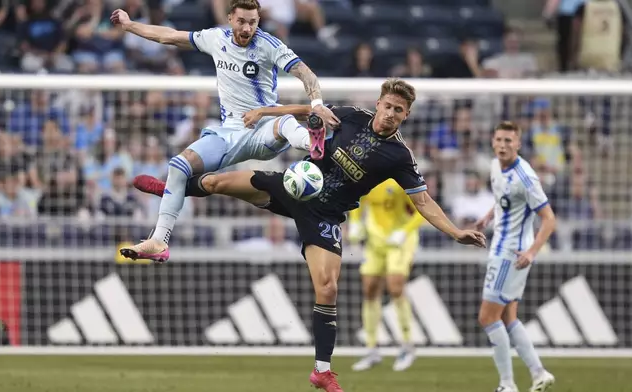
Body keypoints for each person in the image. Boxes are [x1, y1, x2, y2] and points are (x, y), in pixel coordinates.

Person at [125, 79, 487, 392]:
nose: (391, 113)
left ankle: (322, 371)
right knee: (219, 181)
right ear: (378, 104)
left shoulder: (399, 157)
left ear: (406, 115)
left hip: (325, 214)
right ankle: (171, 189)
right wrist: (267, 114)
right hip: (293, 186)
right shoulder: (351, 116)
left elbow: (422, 201)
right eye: (388, 105)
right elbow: (309, 111)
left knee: (328, 288)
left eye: (399, 110)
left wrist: (455, 232)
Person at [110, 0, 339, 262]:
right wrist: (129, 25)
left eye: (253, 22)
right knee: (179, 165)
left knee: (285, 121)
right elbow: (168, 37)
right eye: (241, 21)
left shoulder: (269, 45)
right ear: (230, 18)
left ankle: (314, 143)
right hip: (230, 131)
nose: (247, 28)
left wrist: (317, 105)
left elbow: (306, 74)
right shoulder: (215, 38)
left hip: (264, 129)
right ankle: (159, 241)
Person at [474, 121, 557, 392]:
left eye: (509, 141)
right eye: (499, 139)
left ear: (518, 144)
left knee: (487, 317)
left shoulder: (526, 177)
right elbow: (503, 199)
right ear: (492, 141)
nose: (502, 145)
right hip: (502, 245)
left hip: (511, 253)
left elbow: (548, 219)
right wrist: (489, 215)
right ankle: (538, 373)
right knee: (508, 317)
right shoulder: (495, 165)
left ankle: (507, 385)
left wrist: (533, 252)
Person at [348, 179, 425, 372]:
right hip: (375, 242)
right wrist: (356, 222)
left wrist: (403, 231)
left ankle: (407, 346)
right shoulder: (366, 177)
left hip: (399, 240)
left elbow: (421, 211)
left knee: (395, 286)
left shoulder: (399, 180)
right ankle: (371, 349)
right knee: (369, 289)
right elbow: (358, 201)